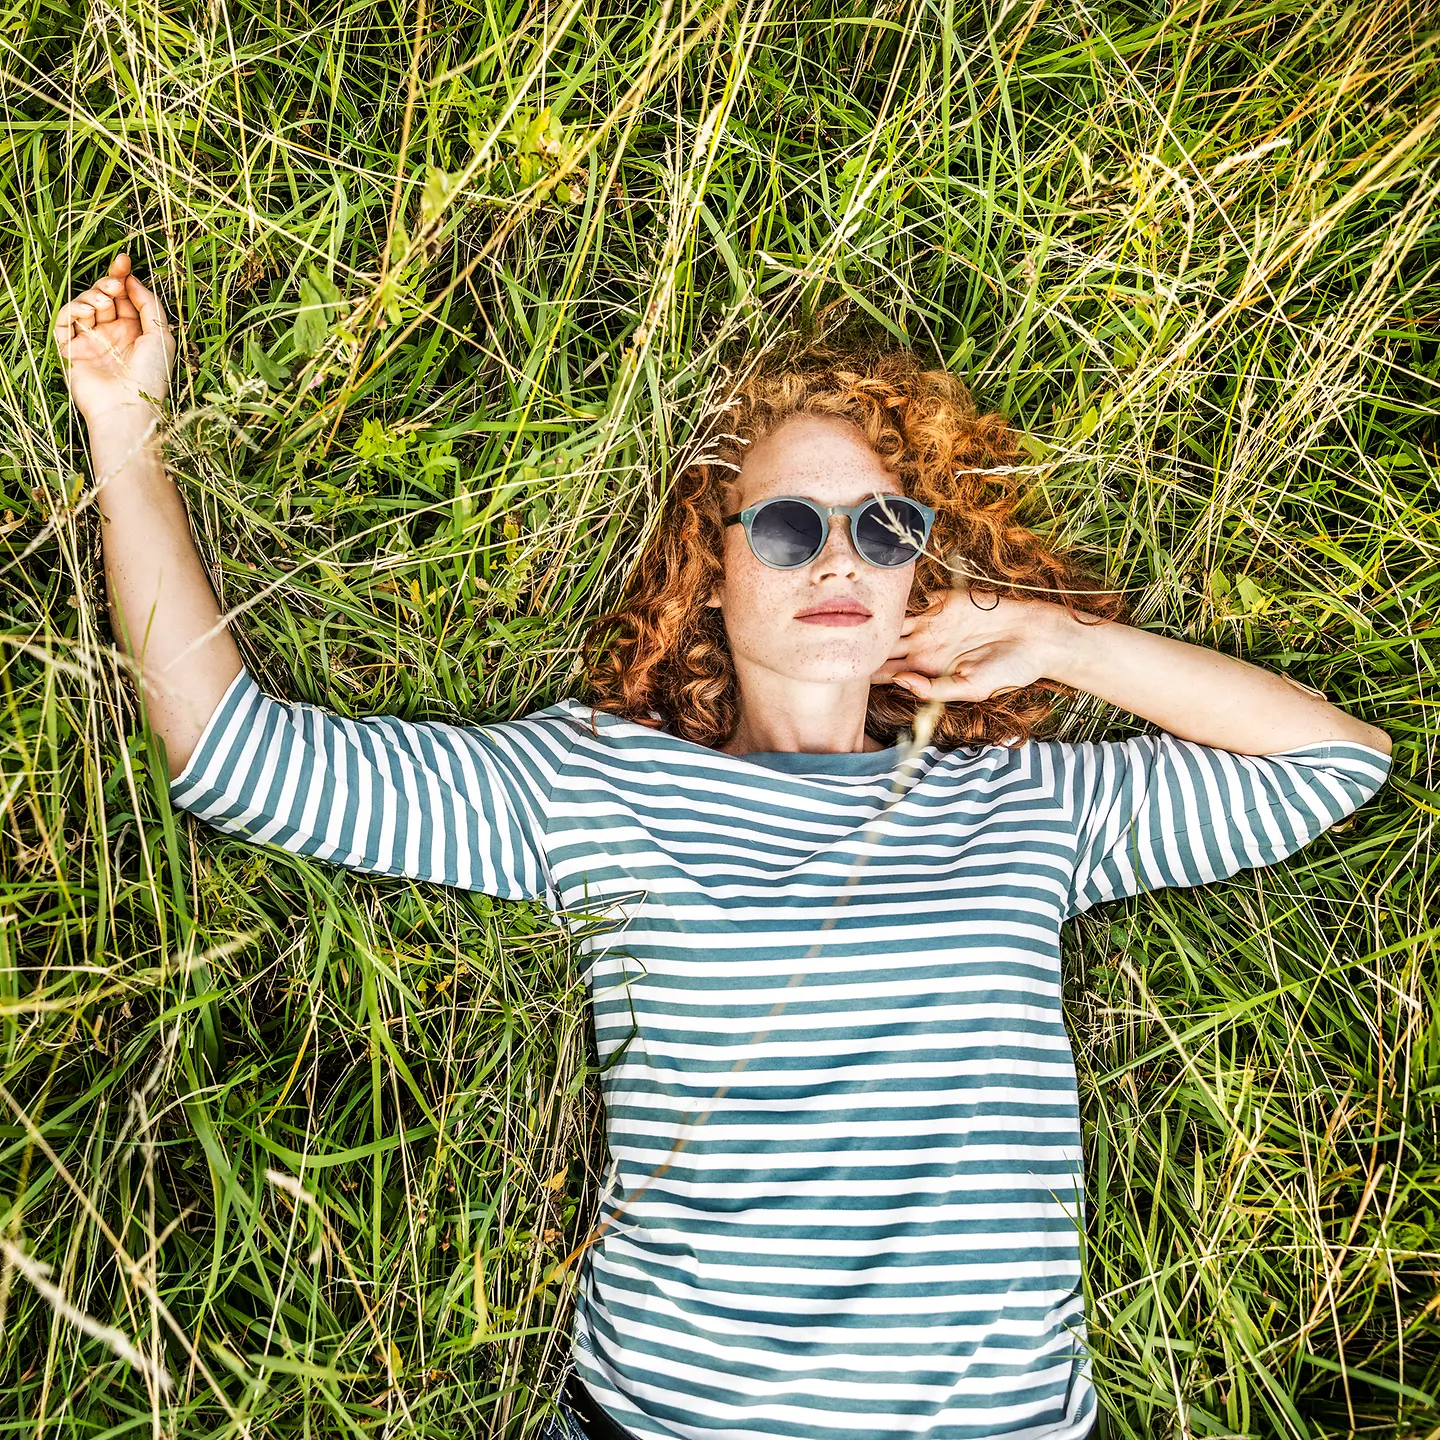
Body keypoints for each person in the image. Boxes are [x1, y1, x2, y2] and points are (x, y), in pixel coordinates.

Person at [54, 251, 1393, 1440]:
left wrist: (1064, 641)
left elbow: (1335, 763)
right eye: (794, 527)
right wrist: (126, 429)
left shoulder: (1025, 807)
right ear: (716, 562)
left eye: (882, 529)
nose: (839, 564)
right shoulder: (593, 784)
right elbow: (235, 757)